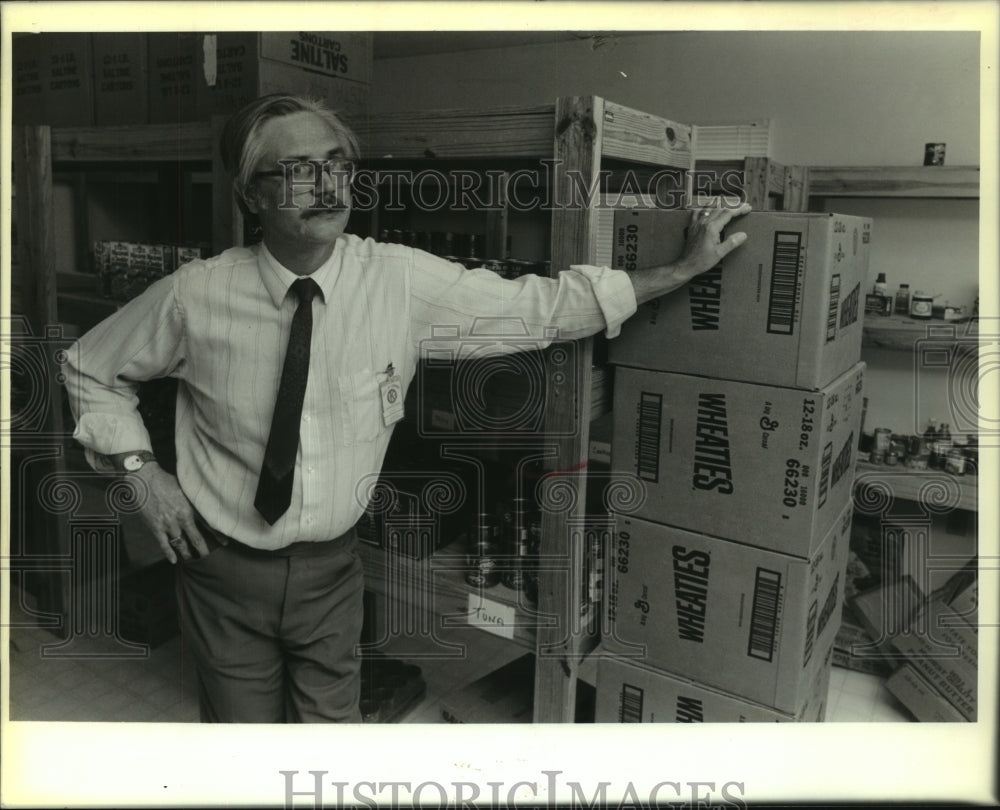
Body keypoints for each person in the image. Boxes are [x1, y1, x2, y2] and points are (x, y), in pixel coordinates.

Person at [63, 93, 751, 723]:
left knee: (329, 734)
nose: (328, 185)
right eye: (298, 170)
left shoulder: (396, 278)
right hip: (221, 571)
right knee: (244, 741)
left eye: (337, 164)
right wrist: (139, 471)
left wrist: (677, 272)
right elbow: (88, 366)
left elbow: (535, 308)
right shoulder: (195, 296)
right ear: (251, 194)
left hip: (333, 573)